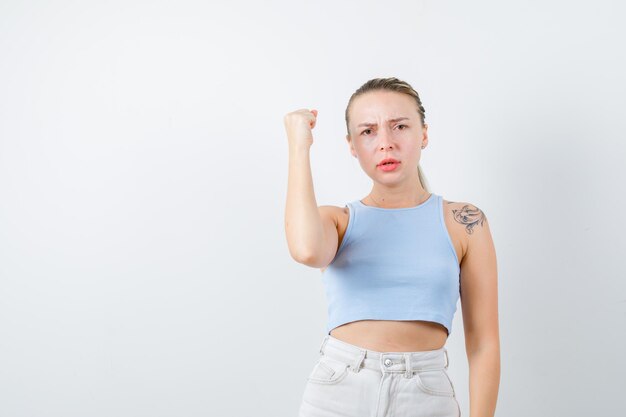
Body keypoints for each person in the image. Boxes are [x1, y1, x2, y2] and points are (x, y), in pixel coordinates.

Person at [284, 77, 500, 417]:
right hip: (339, 389)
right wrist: (299, 144)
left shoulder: (464, 222)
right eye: (368, 131)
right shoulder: (337, 222)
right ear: (352, 145)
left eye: (399, 126)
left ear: (424, 134)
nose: (385, 143)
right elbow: (306, 250)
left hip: (426, 394)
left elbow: (484, 343)